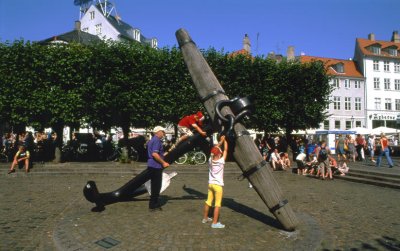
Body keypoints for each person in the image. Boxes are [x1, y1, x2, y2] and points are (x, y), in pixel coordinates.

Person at [202, 135, 228, 229]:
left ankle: (205, 218)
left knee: (208, 201)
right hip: (218, 186)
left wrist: (220, 141)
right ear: (219, 154)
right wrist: (225, 140)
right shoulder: (221, 161)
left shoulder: (210, 160)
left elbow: (216, 149)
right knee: (217, 204)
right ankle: (215, 223)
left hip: (211, 184)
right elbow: (226, 150)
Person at [146, 126, 170, 211]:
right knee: (156, 186)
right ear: (158, 132)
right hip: (156, 166)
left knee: (154, 186)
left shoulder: (152, 140)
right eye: (163, 132)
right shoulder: (157, 140)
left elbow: (157, 153)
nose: (164, 133)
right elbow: (155, 154)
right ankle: (153, 205)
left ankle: (154, 203)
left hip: (151, 165)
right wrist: (163, 163)